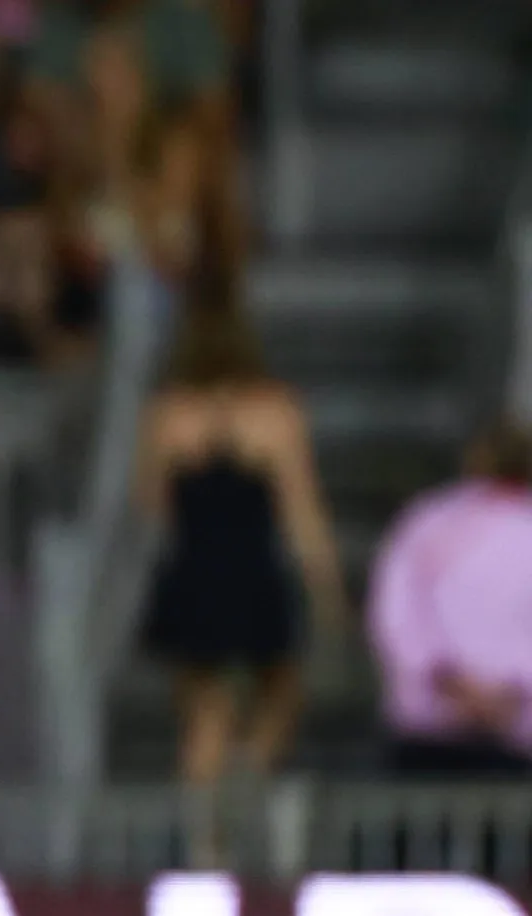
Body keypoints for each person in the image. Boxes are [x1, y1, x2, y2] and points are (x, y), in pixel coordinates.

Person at [134, 285, 343, 802]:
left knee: (203, 710)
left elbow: (151, 504)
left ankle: (202, 840)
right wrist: (327, 590)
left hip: (193, 568)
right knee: (282, 687)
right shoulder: (275, 412)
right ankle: (250, 769)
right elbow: (301, 513)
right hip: (251, 570)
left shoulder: (167, 414)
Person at [368, 421, 532, 778]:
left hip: (444, 713)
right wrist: (507, 692)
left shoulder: (427, 519)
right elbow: (396, 610)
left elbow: (395, 612)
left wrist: (448, 680)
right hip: (498, 719)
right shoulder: (430, 519)